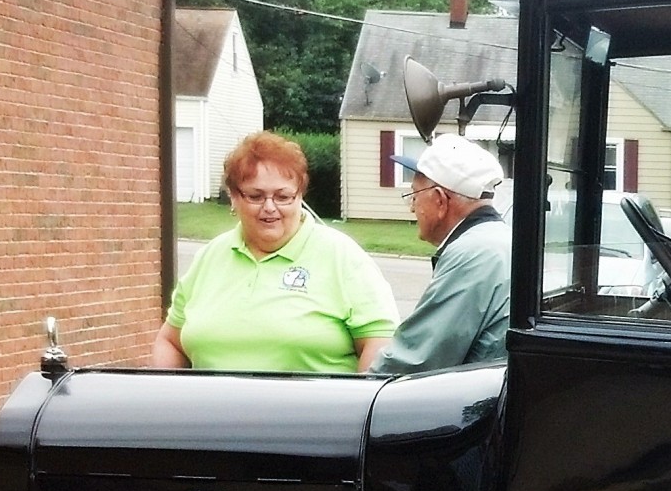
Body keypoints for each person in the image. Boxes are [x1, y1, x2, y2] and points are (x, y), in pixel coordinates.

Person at [153, 132, 395, 372]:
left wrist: (355, 405)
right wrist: (166, 396)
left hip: (312, 410)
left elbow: (380, 343)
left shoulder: (342, 256)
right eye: (255, 196)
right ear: (234, 198)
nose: (270, 208)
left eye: (283, 196)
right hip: (211, 410)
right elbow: (171, 342)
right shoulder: (209, 257)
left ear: (300, 195)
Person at [368, 133, 511, 376]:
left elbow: (415, 361)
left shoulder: (472, 253)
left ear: (440, 200)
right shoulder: (496, 238)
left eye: (414, 195)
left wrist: (361, 391)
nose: (412, 207)